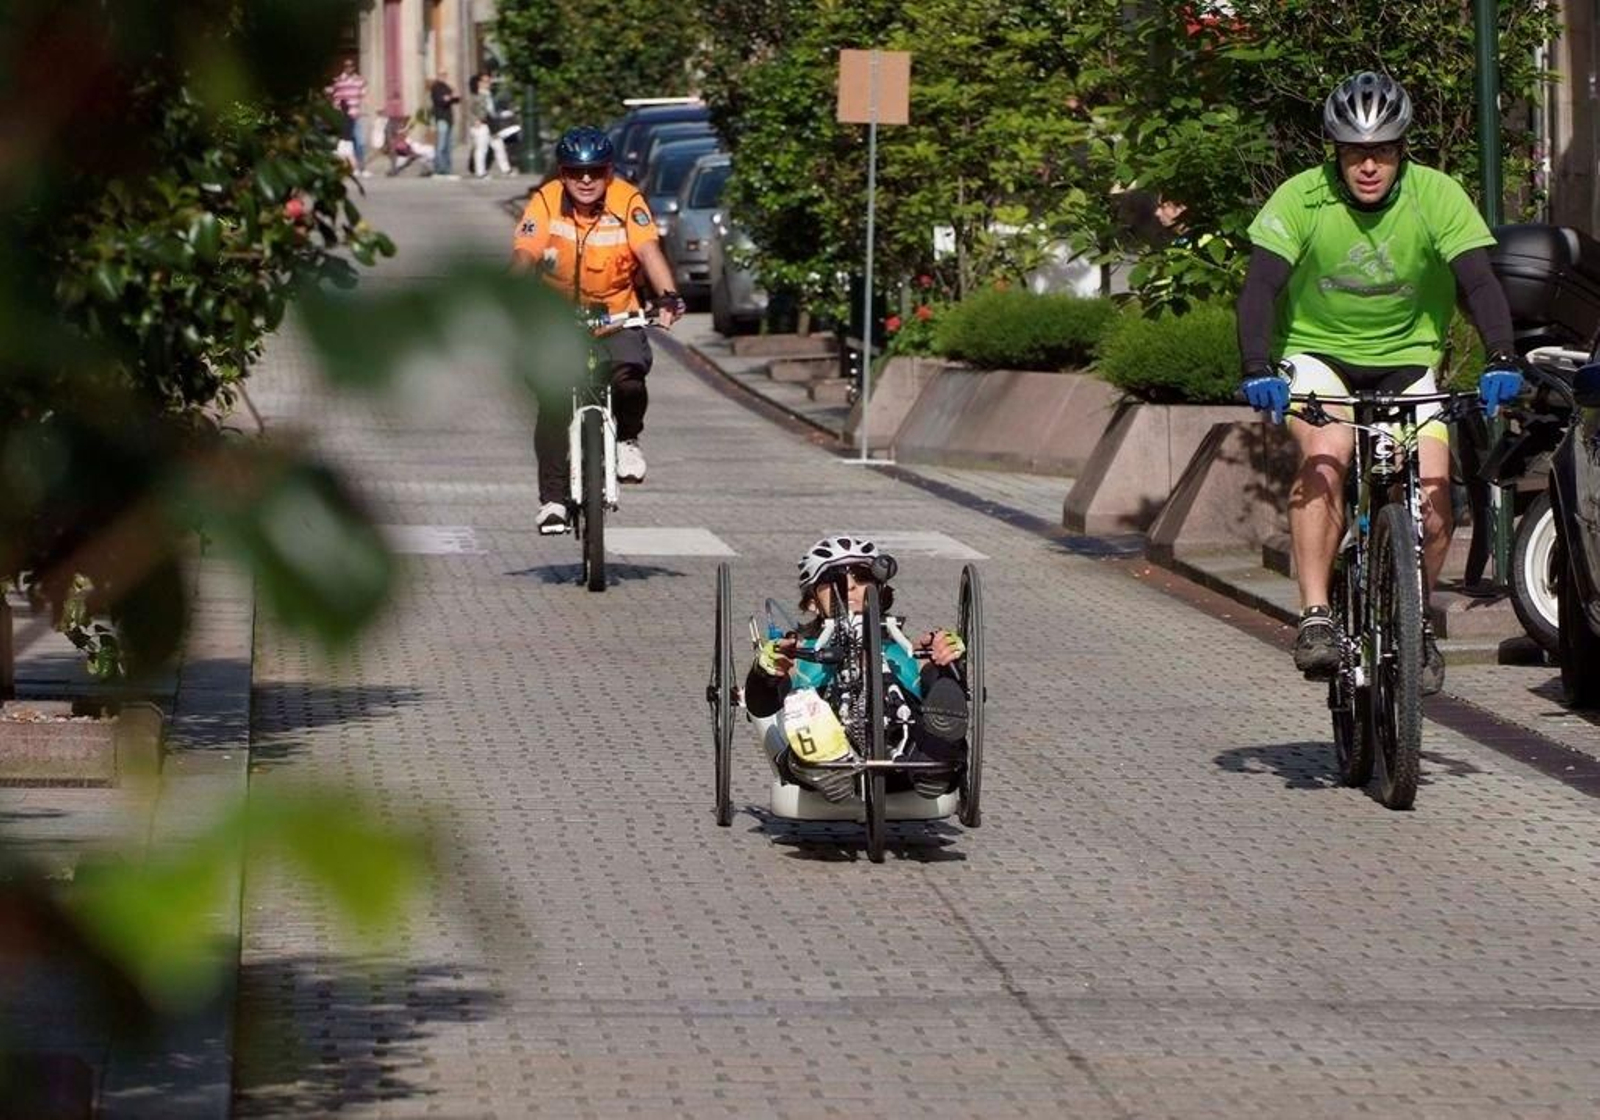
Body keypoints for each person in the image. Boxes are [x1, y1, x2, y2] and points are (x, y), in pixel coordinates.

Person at [1236, 71, 1524, 695]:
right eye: (1354, 153)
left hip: (1408, 359)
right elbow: (1260, 288)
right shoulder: (1300, 199)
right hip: (1315, 355)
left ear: (1402, 151)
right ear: (1335, 155)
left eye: (1382, 152)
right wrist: (1258, 366)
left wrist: (1502, 355)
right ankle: (1315, 616)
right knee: (1327, 456)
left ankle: (1413, 622)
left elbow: (1478, 282)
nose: (1369, 166)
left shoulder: (1438, 196)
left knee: (1436, 497)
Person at [509, 125, 685, 534]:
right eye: (574, 172)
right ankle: (552, 499)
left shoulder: (628, 201)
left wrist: (669, 297)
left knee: (628, 378)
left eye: (596, 172)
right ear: (562, 172)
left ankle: (626, 440)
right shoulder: (546, 201)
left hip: (616, 315)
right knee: (553, 402)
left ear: (609, 172)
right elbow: (524, 253)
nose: (585, 181)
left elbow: (648, 251)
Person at [744, 536, 971, 803]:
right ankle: (826, 761)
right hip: (820, 765)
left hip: (907, 766)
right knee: (801, 704)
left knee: (939, 679)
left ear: (881, 590)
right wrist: (766, 671)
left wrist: (948, 658)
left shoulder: (907, 651)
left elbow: (947, 686)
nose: (850, 586)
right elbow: (761, 707)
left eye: (862, 576)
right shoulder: (799, 652)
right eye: (833, 578)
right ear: (811, 602)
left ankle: (937, 762)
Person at [326, 57, 368, 175]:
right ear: (344, 67)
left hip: (356, 115)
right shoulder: (338, 81)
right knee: (345, 144)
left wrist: (364, 110)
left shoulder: (360, 81)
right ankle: (351, 168)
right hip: (343, 116)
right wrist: (336, 110)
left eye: (351, 66)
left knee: (360, 142)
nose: (349, 68)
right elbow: (334, 97)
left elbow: (364, 97)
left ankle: (361, 168)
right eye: (347, 66)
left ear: (354, 67)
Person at [468, 73, 511, 178]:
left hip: (492, 124)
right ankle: (480, 172)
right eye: (485, 81)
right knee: (482, 148)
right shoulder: (476, 95)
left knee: (499, 146)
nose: (488, 83)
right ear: (479, 83)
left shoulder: (489, 95)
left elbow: (492, 111)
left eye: (489, 81)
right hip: (481, 125)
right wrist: (475, 120)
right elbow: (469, 110)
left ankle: (506, 169)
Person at [429, 70, 460, 176]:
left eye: (445, 74)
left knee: (448, 145)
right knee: (441, 145)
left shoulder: (447, 86)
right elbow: (441, 101)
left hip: (449, 118)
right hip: (441, 118)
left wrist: (453, 96)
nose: (443, 76)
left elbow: (455, 99)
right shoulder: (436, 87)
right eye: (441, 74)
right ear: (437, 76)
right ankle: (439, 168)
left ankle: (447, 168)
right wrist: (449, 97)